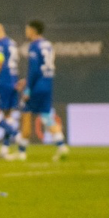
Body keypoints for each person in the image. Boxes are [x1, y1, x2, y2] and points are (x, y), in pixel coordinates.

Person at [18, 21, 68, 161]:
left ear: (33, 30)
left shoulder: (34, 46)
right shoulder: (48, 45)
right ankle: (61, 145)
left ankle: (21, 152)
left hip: (36, 87)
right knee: (46, 117)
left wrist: (28, 89)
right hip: (47, 84)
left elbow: (34, 70)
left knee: (26, 114)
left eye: (27, 29)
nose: (26, 32)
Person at [0, 22, 22, 160]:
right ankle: (5, 149)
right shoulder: (12, 43)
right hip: (13, 82)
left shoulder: (0, 44)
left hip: (3, 82)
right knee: (8, 116)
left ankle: (17, 136)